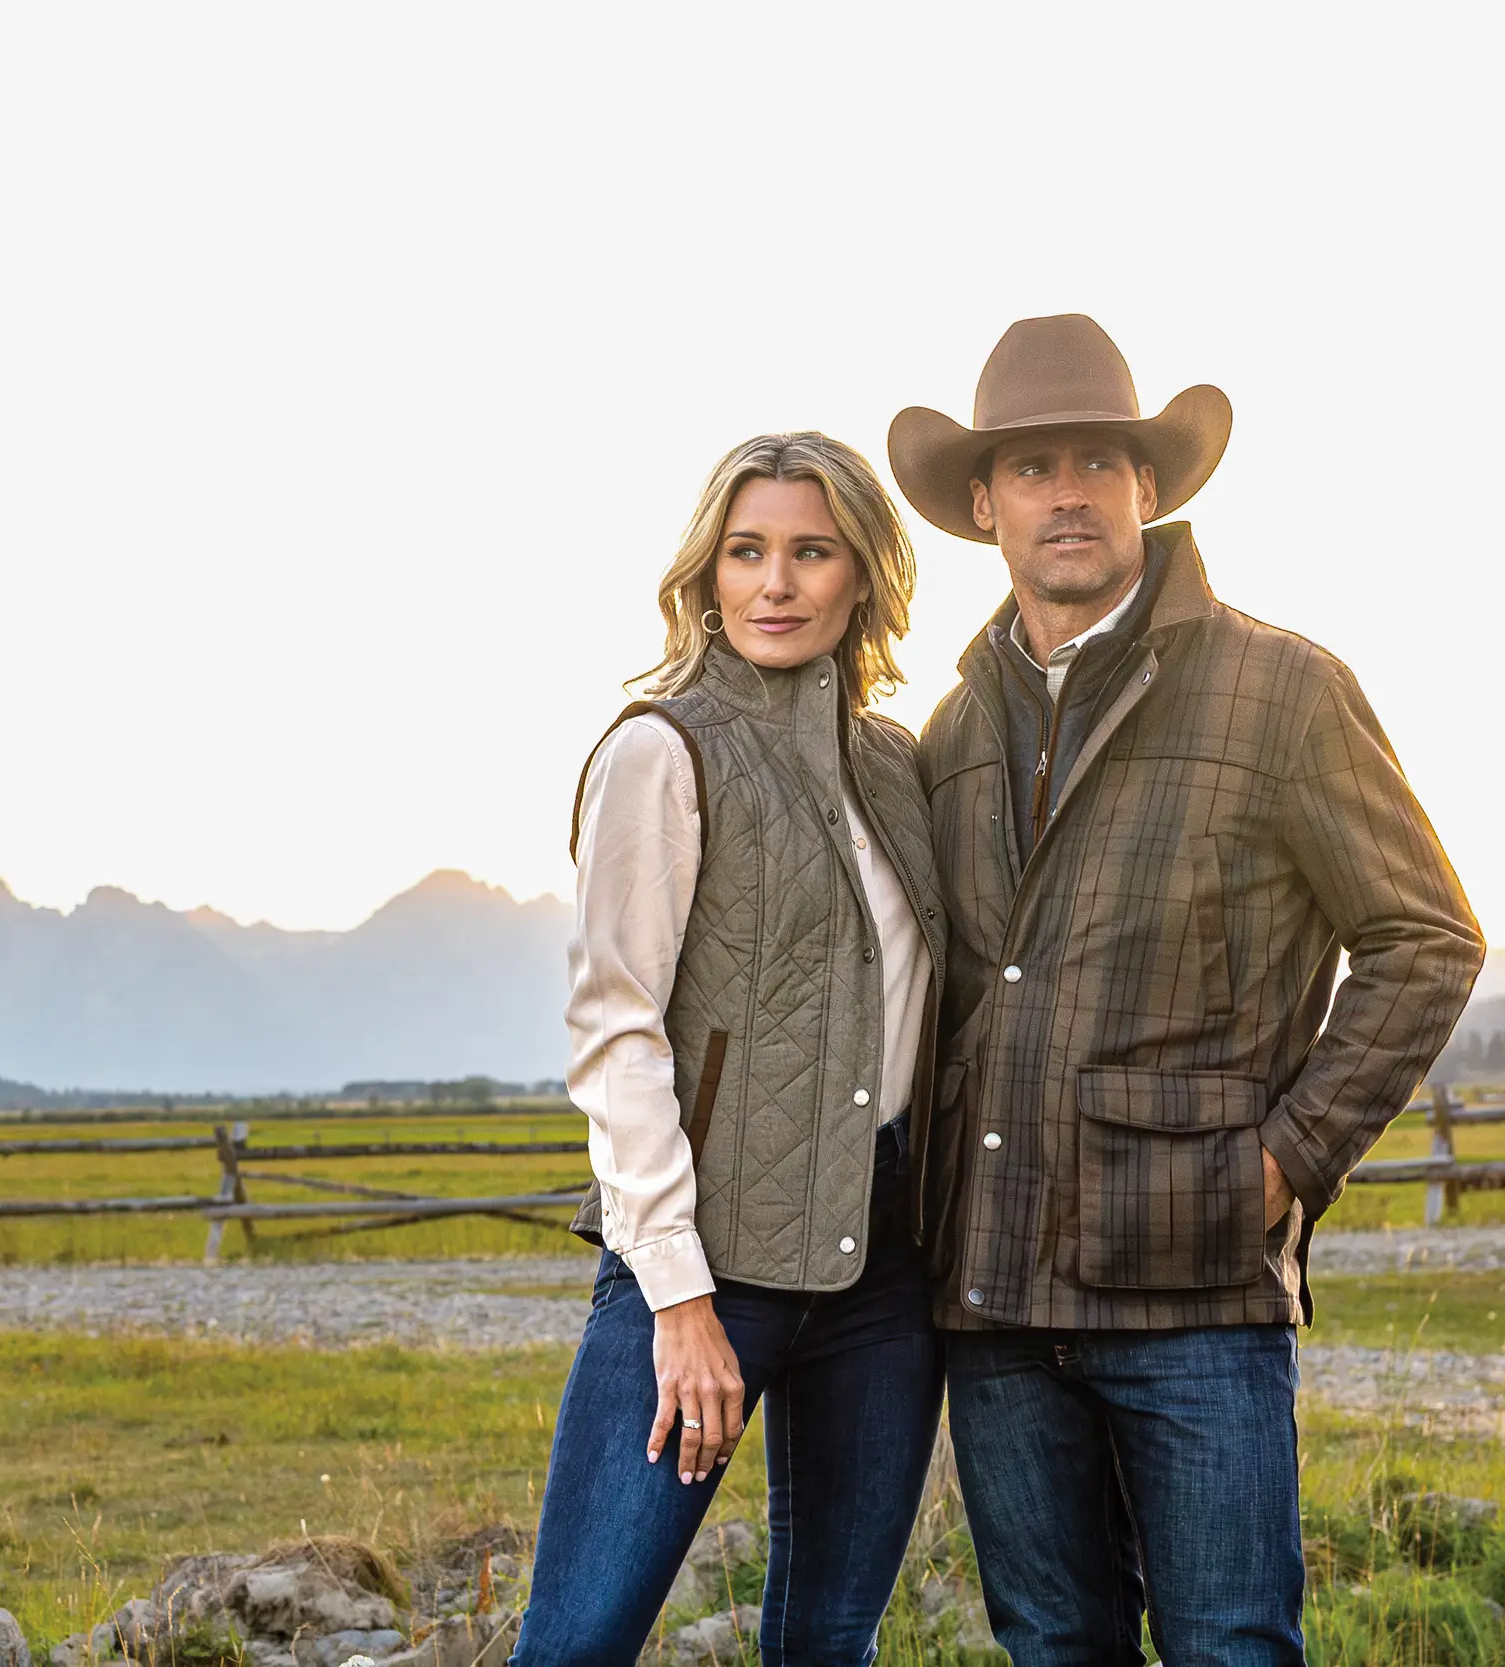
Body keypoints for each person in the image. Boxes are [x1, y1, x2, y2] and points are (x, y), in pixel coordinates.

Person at [886, 315, 1485, 1666]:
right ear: (983, 505)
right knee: (1054, 1643)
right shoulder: (953, 734)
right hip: (991, 1311)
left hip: (1196, 1295)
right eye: (1033, 467)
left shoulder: (1283, 691)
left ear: (1149, 487)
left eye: (1099, 459)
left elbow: (1425, 934)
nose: (1069, 491)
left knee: (1231, 1645)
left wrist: (1282, 1161)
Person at [514, 432, 946, 1666]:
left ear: (861, 573)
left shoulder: (894, 765)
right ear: (705, 574)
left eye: (811, 552)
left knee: (828, 1644)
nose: (775, 583)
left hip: (883, 1277)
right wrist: (679, 1295)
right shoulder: (663, 749)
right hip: (710, 1274)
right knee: (577, 1642)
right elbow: (614, 1025)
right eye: (746, 552)